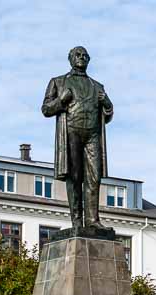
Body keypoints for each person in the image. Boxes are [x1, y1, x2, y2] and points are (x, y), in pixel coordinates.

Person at [42, 46, 114, 231]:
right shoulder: (58, 82)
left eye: (85, 56)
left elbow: (108, 114)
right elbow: (46, 109)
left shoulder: (97, 86)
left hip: (92, 134)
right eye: (78, 55)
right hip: (71, 131)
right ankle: (76, 221)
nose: (82, 58)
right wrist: (61, 101)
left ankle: (92, 220)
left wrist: (107, 103)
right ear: (70, 59)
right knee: (74, 177)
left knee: (94, 176)